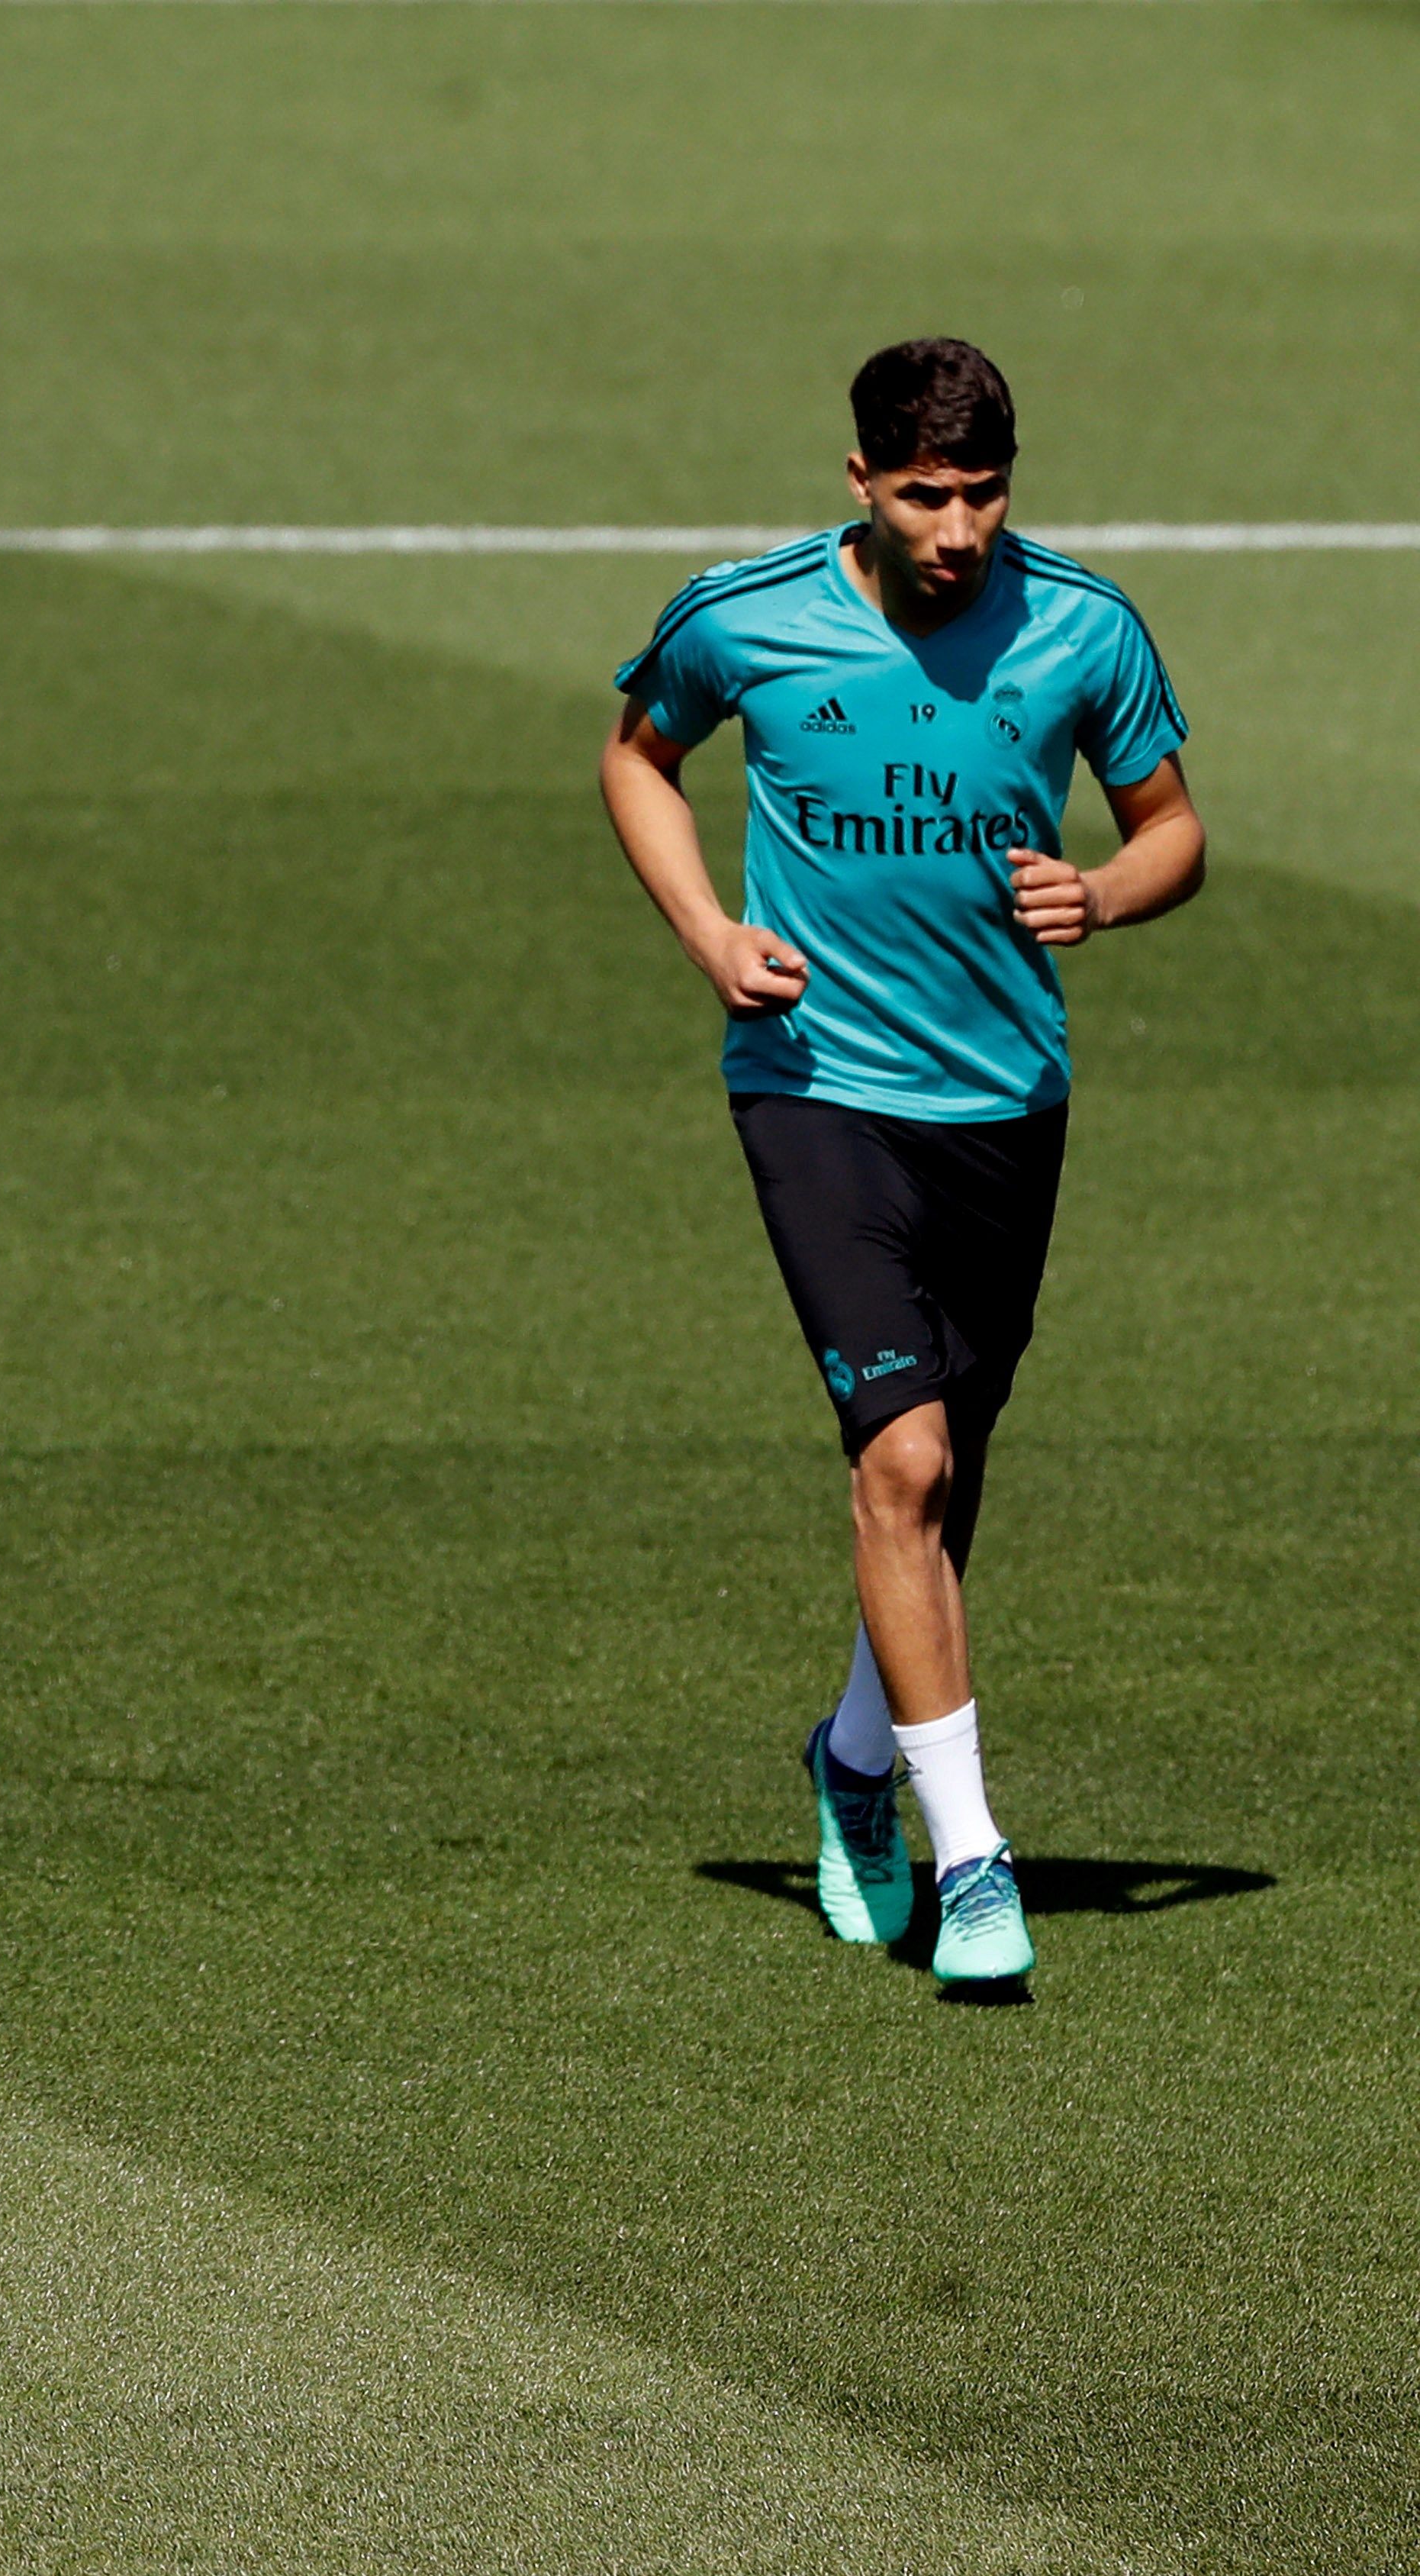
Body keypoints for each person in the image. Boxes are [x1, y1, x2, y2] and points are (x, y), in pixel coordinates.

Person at [601, 340, 1201, 1991]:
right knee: (905, 1464)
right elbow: (638, 757)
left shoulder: (1085, 629)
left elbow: (1173, 828)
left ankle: (855, 1763)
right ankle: (976, 1861)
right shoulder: (745, 616)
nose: (959, 531)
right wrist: (710, 933)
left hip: (1004, 1101)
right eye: (926, 496)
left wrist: (1106, 892)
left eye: (985, 495)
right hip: (815, 1088)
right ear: (860, 479)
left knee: (949, 1472)